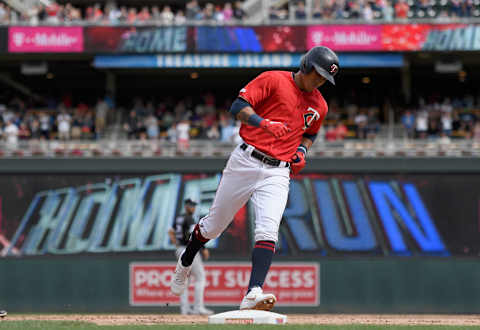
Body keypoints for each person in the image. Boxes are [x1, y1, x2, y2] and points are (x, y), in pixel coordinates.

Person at [170, 46, 339, 311]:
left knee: (268, 229)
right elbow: (237, 107)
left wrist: (302, 151)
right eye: (317, 74)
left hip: (278, 171)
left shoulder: (320, 105)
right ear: (305, 65)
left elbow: (311, 132)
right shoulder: (273, 79)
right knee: (213, 226)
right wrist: (264, 123)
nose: (319, 81)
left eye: (324, 79)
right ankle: (185, 263)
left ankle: (253, 291)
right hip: (246, 160)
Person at [168, 199, 213, 315]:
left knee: (184, 278)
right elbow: (194, 235)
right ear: (186, 206)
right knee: (200, 277)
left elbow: (170, 232)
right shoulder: (189, 218)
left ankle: (185, 309)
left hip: (180, 249)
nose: (192, 207)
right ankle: (198, 308)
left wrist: (177, 244)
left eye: (193, 205)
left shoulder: (179, 218)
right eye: (191, 205)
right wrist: (203, 248)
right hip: (189, 250)